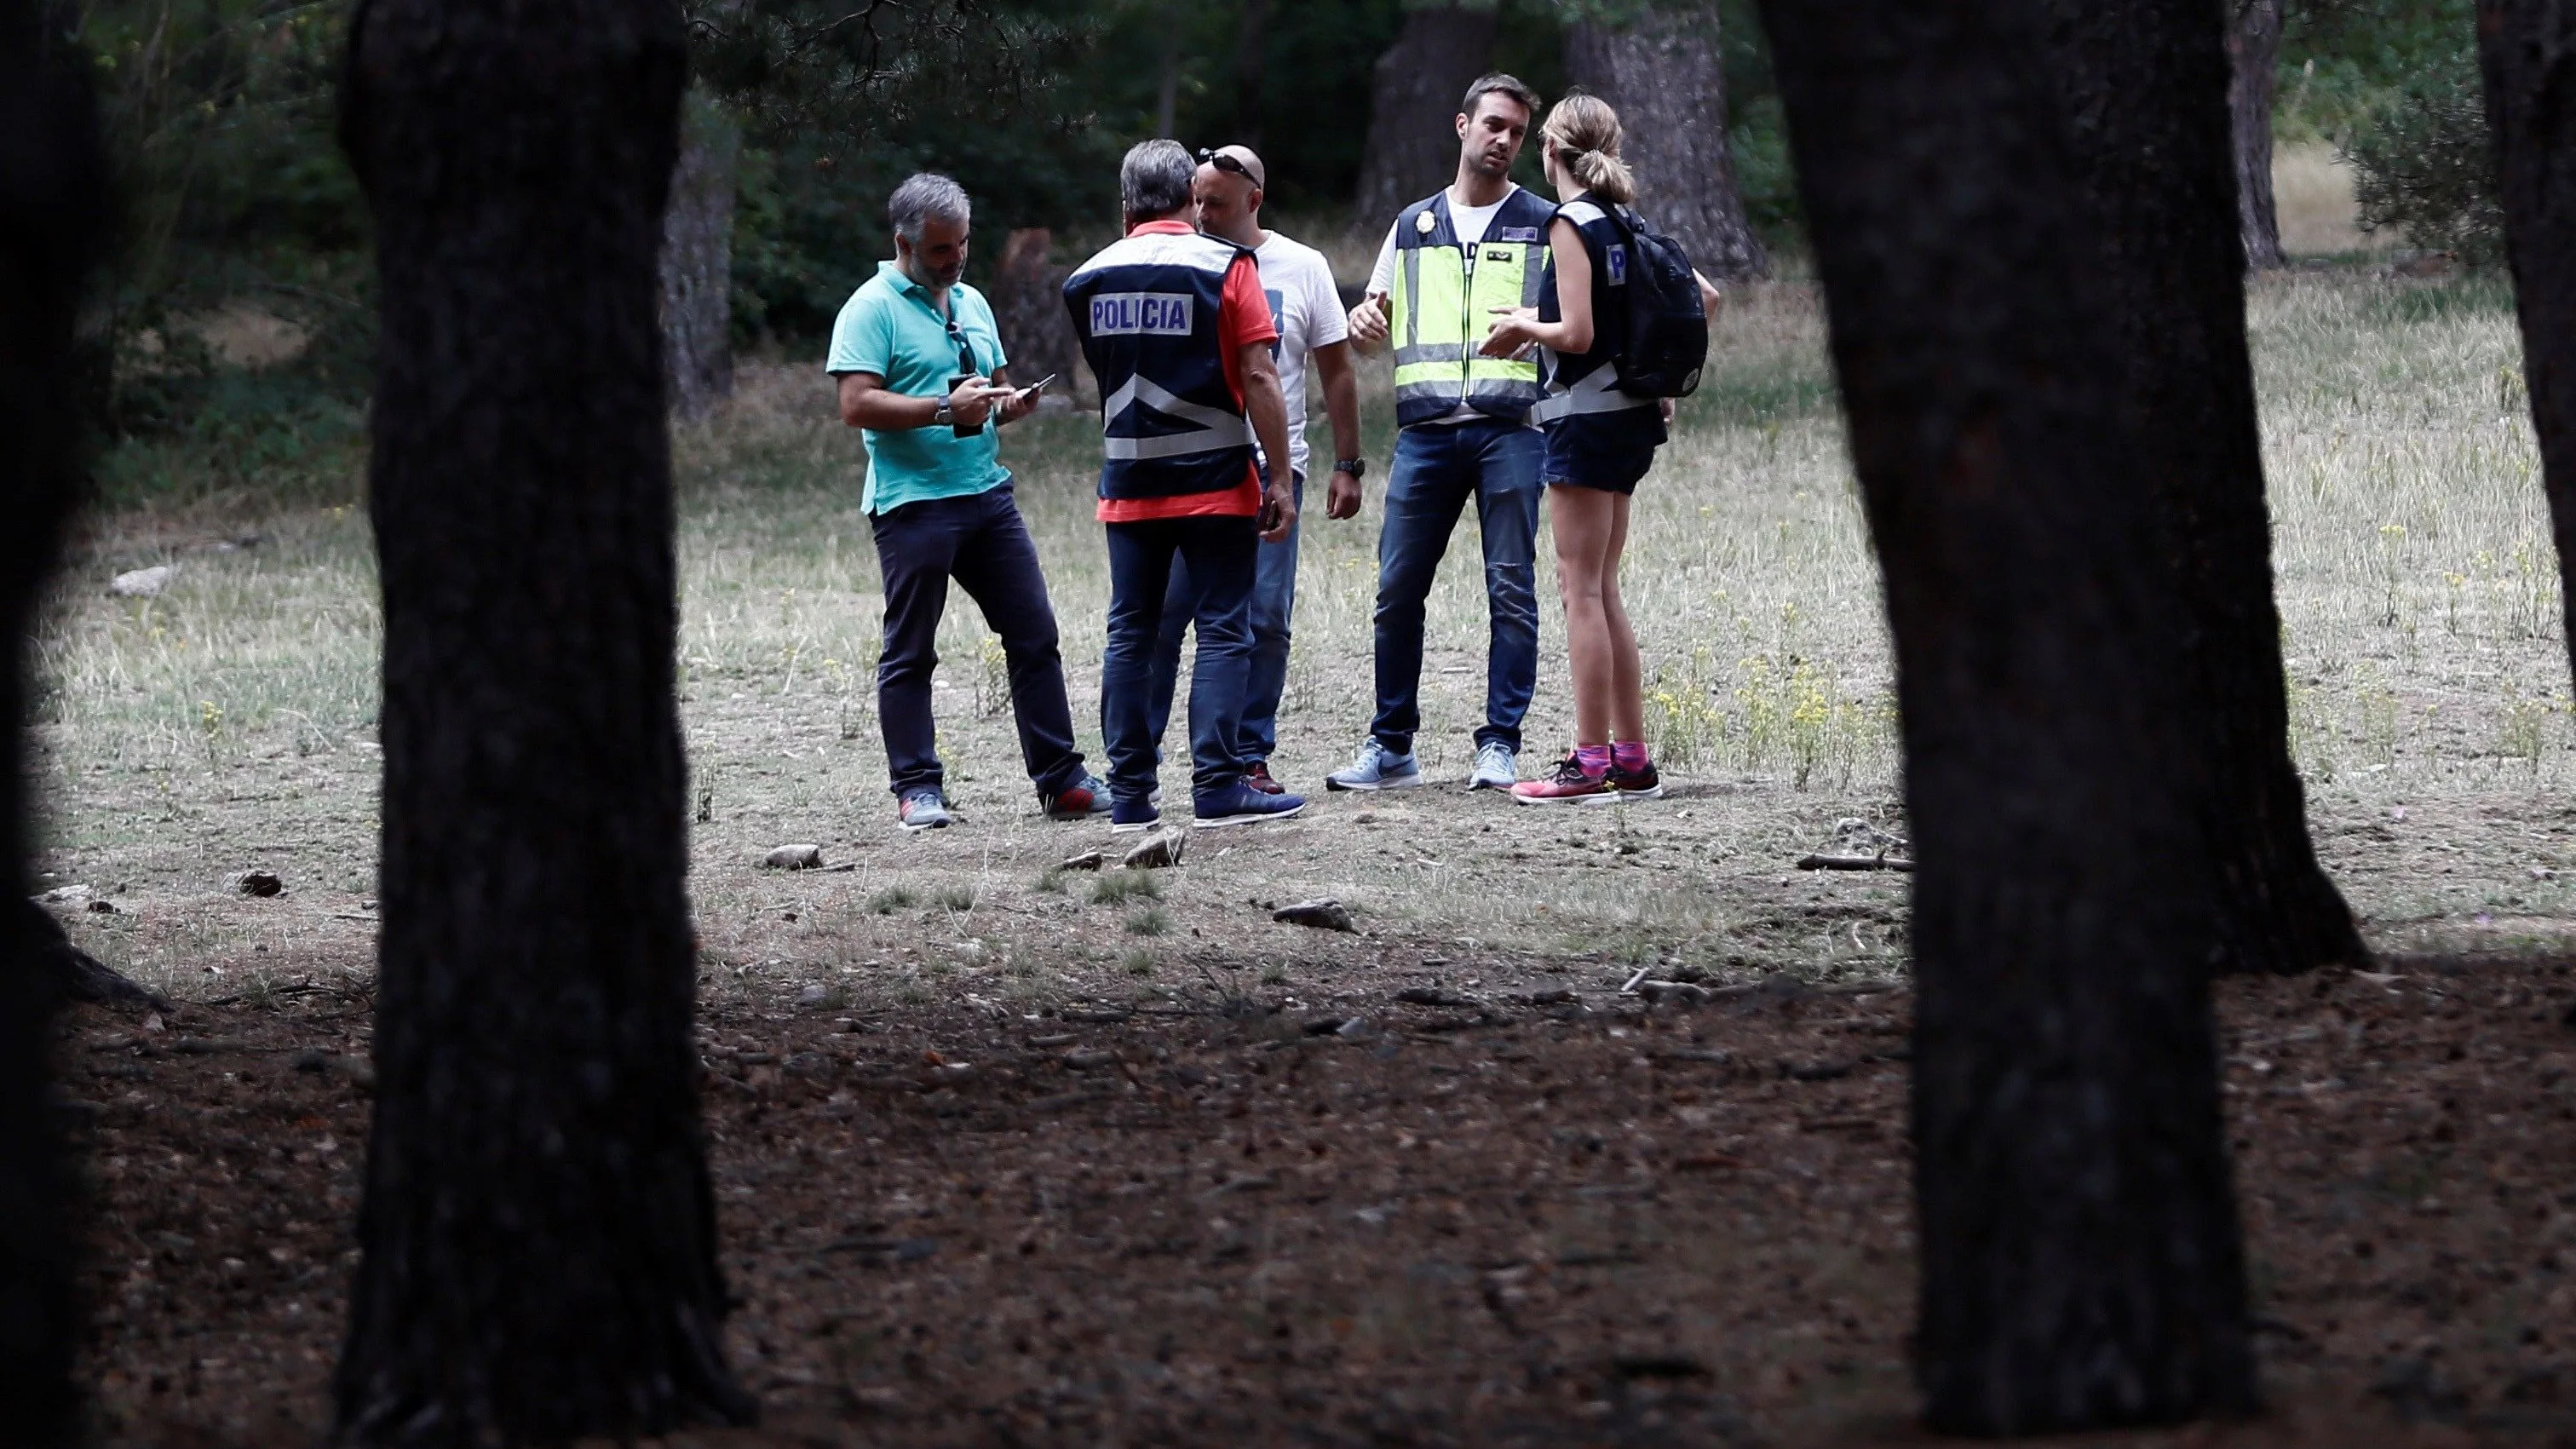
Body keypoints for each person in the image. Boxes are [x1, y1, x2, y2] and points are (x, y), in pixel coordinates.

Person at [825, 172, 1108, 833]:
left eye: (963, 245)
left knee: (1034, 633)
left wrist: (1011, 405)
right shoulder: (870, 309)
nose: (954, 259)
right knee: (912, 650)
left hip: (987, 498)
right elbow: (855, 404)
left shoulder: (972, 303)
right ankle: (918, 789)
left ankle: (1061, 780)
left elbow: (992, 395)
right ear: (905, 242)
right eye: (941, 250)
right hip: (913, 505)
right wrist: (937, 407)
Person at [1480, 94, 1724, 804]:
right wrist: (1649, 371)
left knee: (1578, 589)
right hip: (1629, 420)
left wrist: (1526, 326)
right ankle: (1632, 759)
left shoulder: (1570, 221)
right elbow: (1705, 298)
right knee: (1604, 586)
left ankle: (1589, 764)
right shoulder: (1627, 219)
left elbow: (1579, 332)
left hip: (1582, 423)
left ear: (1550, 151)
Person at [1063, 140, 1306, 831]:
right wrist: (1280, 477)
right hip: (1214, 481)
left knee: (1130, 633)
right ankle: (1219, 785)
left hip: (1130, 481)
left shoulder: (1086, 279)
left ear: (1125, 205)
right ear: (1187, 199)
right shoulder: (1227, 265)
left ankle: (1132, 795)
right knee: (1225, 629)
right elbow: (1259, 375)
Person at [1331, 73, 1556, 796]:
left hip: (1510, 430)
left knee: (1510, 589)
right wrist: (1364, 327)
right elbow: (1372, 323)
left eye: (1517, 132)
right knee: (1397, 591)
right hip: (1426, 434)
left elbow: (1573, 327)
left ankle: (1500, 743)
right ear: (1462, 127)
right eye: (1494, 125)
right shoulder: (1412, 225)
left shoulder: (1544, 225)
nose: (1504, 141)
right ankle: (1392, 744)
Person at [1141, 144, 1366, 794]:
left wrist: (1346, 462)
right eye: (1198, 201)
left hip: (1273, 470)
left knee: (1264, 619)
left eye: (1217, 203)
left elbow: (1336, 370)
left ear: (1254, 200)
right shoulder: (1182, 262)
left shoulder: (1303, 267)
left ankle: (1247, 754)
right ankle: (1140, 758)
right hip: (1193, 466)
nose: (1204, 214)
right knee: (1165, 615)